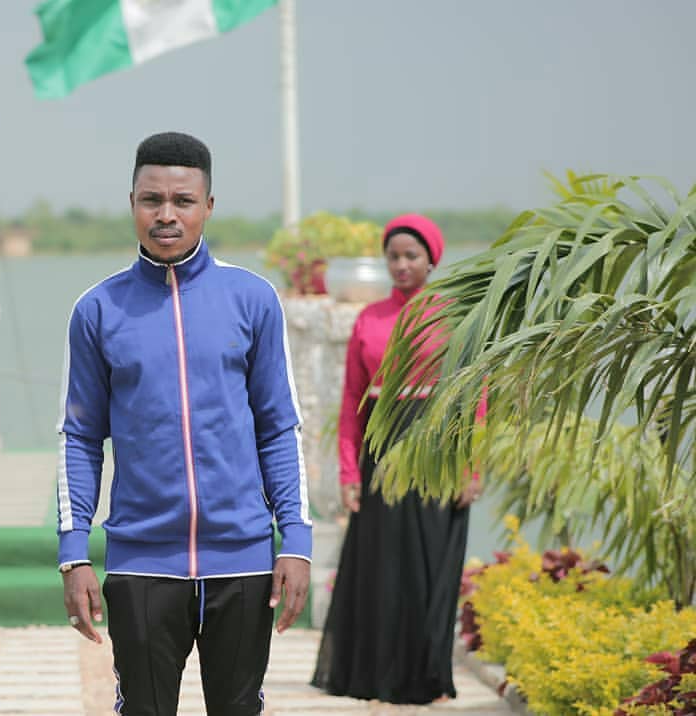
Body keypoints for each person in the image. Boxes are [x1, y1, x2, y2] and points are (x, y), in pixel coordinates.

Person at [56, 131, 312, 716]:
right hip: (141, 564)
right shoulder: (97, 310)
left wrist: (295, 542)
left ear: (208, 206)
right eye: (152, 200)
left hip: (243, 561)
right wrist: (74, 553)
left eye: (183, 200)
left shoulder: (253, 299)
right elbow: (80, 437)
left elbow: (278, 428)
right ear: (132, 203)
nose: (166, 215)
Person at [310, 213, 483, 704]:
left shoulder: (455, 316)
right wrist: (349, 471)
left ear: (432, 260)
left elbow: (476, 395)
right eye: (393, 256)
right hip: (382, 451)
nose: (402, 264)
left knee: (431, 569)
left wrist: (470, 466)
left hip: (436, 451)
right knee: (383, 570)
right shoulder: (369, 319)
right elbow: (352, 400)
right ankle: (375, 678)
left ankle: (430, 677)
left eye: (411, 256)